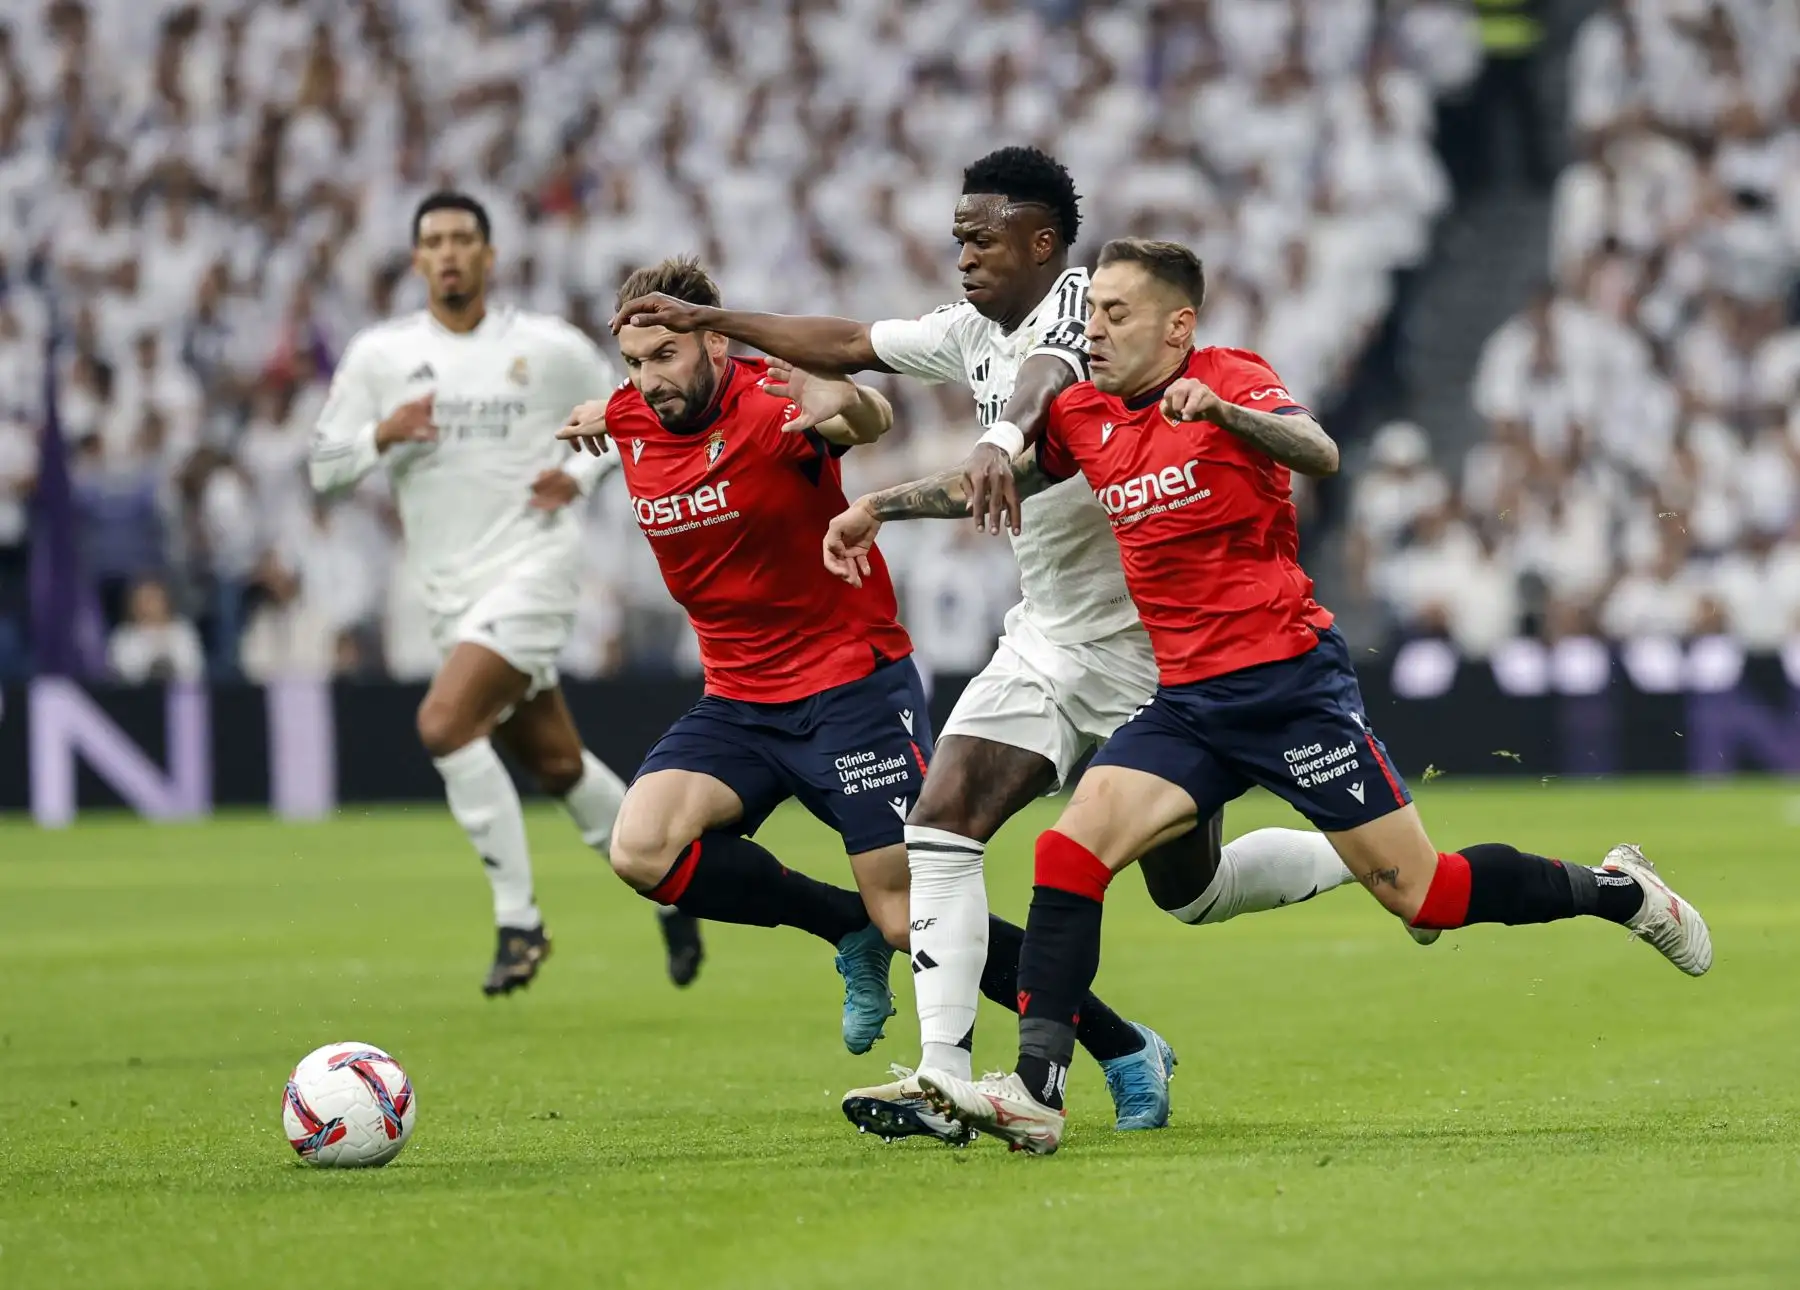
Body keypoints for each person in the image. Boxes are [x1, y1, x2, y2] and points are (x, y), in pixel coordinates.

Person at [868, 237, 1713, 1155]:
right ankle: (1036, 1092)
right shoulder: (1082, 413)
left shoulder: (1232, 376)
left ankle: (1618, 893)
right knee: (1070, 856)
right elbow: (987, 483)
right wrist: (876, 507)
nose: (1091, 329)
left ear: (1177, 325)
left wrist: (1226, 414)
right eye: (1090, 311)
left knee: (1425, 895)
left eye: (1114, 314)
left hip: (1288, 690)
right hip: (1185, 703)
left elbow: (1320, 451)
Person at [613, 148, 1373, 1145]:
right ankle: (942, 1078)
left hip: (1164, 658)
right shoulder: (967, 329)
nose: (963, 254)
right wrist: (717, 322)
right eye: (958, 236)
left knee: (1194, 893)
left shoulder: (1077, 312)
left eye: (982, 237)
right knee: (942, 828)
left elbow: (1043, 382)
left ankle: (1359, 856)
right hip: (1050, 643)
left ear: (1043, 242)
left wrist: (1000, 443)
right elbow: (845, 340)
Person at [561, 258, 1168, 1130]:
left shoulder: (773, 400)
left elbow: (866, 410)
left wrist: (843, 405)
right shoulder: (631, 414)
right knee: (642, 850)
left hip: (849, 685)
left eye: (664, 355)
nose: (648, 380)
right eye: (632, 363)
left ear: (711, 341)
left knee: (909, 916)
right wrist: (590, 418)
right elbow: (612, 414)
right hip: (737, 699)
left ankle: (1121, 1044)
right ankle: (837, 923)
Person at [309, 191, 704, 998]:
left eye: (463, 239)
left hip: (536, 566)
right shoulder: (380, 357)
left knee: (444, 721)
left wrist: (579, 471)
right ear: (417, 259)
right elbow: (323, 468)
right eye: (434, 241)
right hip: (450, 591)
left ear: (489, 256)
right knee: (557, 761)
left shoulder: (548, 348)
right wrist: (381, 436)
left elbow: (632, 416)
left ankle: (519, 919)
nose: (449, 252)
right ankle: (674, 886)